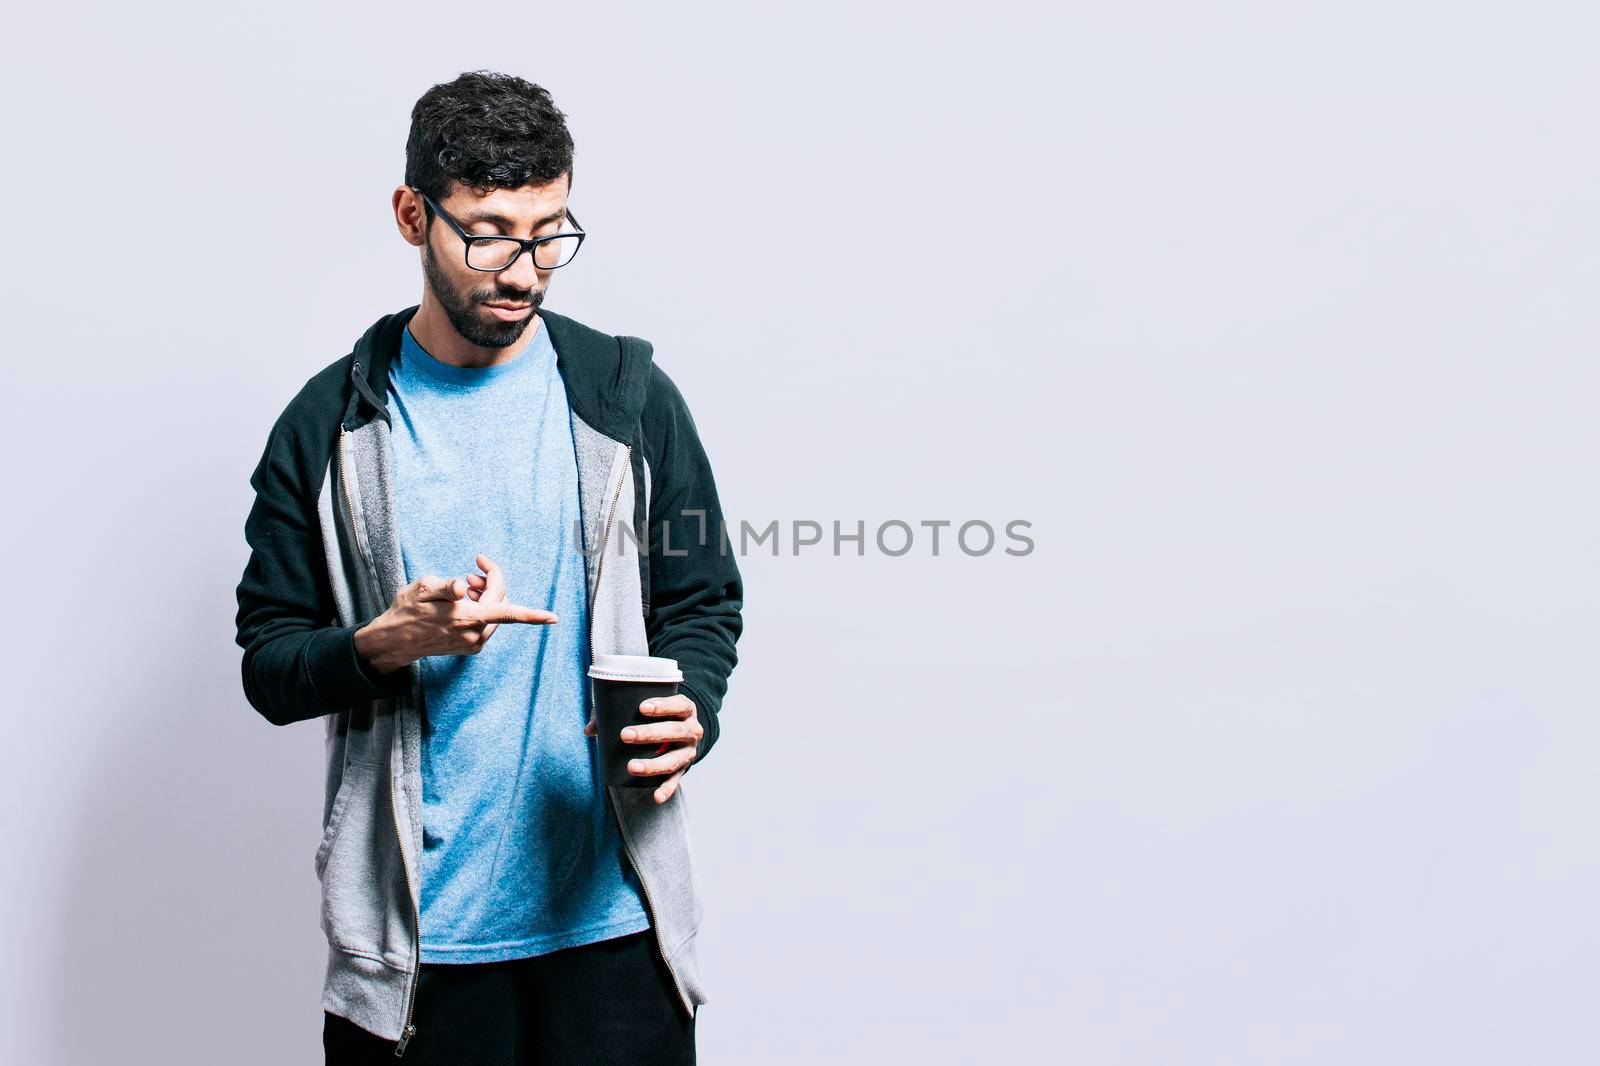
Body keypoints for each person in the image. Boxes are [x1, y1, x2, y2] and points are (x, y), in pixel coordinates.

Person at [233, 70, 743, 1064]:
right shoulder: (325, 428)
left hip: (615, 930)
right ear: (411, 215)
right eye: (490, 233)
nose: (526, 269)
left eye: (551, 232)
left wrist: (696, 704)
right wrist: (385, 643)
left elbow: (704, 598)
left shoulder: (628, 398)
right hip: (416, 956)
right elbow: (269, 666)